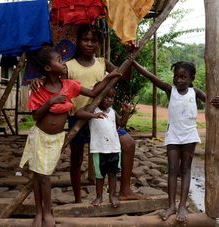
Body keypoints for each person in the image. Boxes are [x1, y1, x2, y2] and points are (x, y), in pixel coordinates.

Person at [30, 24, 145, 203]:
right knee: (76, 158)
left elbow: (124, 75)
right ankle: (77, 199)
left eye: (94, 40)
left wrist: (129, 56)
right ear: (78, 42)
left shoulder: (102, 63)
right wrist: (37, 79)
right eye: (85, 40)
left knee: (128, 143)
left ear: (98, 44)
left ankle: (125, 190)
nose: (89, 44)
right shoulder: (67, 66)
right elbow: (52, 78)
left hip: (102, 116)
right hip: (78, 117)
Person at [19, 47, 120, 227]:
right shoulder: (39, 88)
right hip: (39, 136)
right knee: (38, 175)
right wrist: (49, 102)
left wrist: (109, 77)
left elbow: (93, 93)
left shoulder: (70, 85)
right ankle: (41, 212)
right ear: (48, 68)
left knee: (44, 174)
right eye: (59, 60)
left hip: (56, 138)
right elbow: (35, 116)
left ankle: (47, 210)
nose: (63, 63)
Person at [131, 60, 219, 222]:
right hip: (174, 136)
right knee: (172, 170)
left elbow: (214, 100)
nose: (179, 80)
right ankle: (171, 206)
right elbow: (150, 76)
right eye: (176, 76)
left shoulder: (195, 92)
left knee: (186, 170)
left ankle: (182, 205)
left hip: (189, 135)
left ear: (191, 78)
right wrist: (133, 63)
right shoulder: (171, 90)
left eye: (183, 77)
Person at [75, 87, 129, 208]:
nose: (109, 100)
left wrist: (126, 113)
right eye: (106, 97)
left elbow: (122, 124)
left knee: (112, 173)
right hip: (98, 149)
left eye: (111, 97)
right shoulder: (92, 109)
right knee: (99, 175)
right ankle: (99, 196)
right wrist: (93, 115)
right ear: (98, 96)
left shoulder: (113, 112)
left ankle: (112, 196)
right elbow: (78, 113)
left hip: (114, 148)